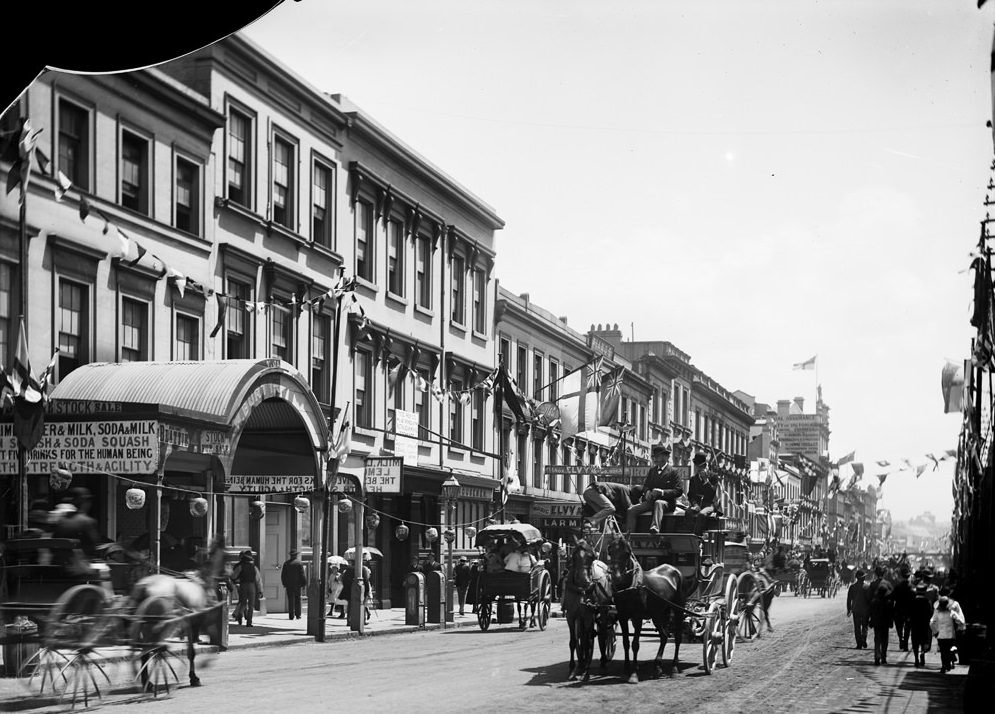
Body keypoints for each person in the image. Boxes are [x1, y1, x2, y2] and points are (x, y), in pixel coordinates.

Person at [626, 443, 684, 533]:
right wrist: (647, 491)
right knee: (631, 510)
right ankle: (629, 534)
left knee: (659, 503)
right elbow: (646, 485)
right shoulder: (652, 471)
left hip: (667, 503)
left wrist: (662, 492)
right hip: (651, 501)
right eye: (655, 457)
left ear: (665, 457)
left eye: (658, 456)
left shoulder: (673, 472)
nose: (655, 459)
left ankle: (654, 528)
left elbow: (679, 491)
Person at [52, 487, 103, 559]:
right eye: (88, 501)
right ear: (84, 502)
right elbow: (94, 547)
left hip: (58, 564)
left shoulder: (58, 521)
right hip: (80, 565)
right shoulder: (87, 522)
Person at [867, 566, 895, 665]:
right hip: (886, 619)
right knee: (885, 639)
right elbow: (892, 602)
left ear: (875, 574)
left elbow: (868, 600)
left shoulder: (873, 585)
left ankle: (877, 655)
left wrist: (870, 618)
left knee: (877, 638)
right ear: (884, 574)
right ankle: (883, 656)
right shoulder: (888, 584)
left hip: (876, 617)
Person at [930, 596, 965, 673]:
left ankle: (944, 665)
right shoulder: (951, 613)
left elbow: (932, 622)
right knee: (949, 650)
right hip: (950, 635)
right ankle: (948, 664)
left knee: (943, 651)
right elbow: (960, 621)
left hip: (940, 635)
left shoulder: (937, 613)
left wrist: (935, 631)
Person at [685, 453, 723, 518]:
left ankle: (697, 528)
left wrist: (706, 480)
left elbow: (712, 493)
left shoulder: (713, 476)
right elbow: (690, 495)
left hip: (710, 505)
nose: (699, 469)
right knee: (688, 512)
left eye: (701, 466)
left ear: (706, 466)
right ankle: (689, 528)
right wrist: (695, 504)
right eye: (697, 466)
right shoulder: (693, 478)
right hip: (697, 505)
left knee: (701, 514)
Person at [232, 550, 263, 627]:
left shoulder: (240, 566)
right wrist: (260, 590)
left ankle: (240, 614)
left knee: (243, 602)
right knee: (251, 605)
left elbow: (233, 576)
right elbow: (258, 580)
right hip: (252, 585)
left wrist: (236, 580)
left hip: (243, 585)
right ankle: (249, 622)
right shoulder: (254, 568)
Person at [908, 583, 935, 668]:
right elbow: (930, 613)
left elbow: (909, 613)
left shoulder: (912, 601)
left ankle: (916, 659)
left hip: (915, 625)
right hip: (924, 625)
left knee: (915, 642)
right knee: (923, 641)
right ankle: (922, 653)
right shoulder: (927, 602)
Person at [891, 565, 915, 652]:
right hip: (909, 610)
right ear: (909, 576)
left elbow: (892, 598)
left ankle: (901, 638)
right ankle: (905, 644)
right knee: (907, 627)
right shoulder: (912, 587)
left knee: (899, 626)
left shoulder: (897, 587)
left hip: (898, 609)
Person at [280, 549, 307, 621]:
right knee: (297, 599)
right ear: (296, 555)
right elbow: (302, 574)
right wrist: (304, 583)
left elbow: (283, 575)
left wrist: (284, 583)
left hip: (289, 585)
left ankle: (291, 615)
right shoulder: (299, 563)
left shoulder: (286, 563)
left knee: (290, 600)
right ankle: (298, 614)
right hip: (297, 584)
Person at [846, 569, 870, 649]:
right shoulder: (867, 587)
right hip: (865, 610)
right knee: (865, 626)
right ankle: (863, 639)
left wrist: (849, 609)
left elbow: (849, 599)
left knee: (857, 627)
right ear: (863, 578)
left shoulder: (852, 587)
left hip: (856, 610)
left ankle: (859, 644)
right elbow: (869, 600)